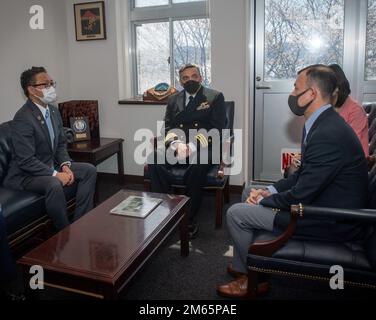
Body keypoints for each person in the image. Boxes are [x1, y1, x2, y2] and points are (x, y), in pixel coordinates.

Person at [217, 65, 368, 298]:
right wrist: (269, 190)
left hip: (329, 218)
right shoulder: (322, 122)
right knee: (249, 190)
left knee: (236, 212)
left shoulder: (327, 132)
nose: (292, 93)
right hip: (320, 201)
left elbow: (300, 195)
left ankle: (254, 278)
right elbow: (302, 176)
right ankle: (241, 267)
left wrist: (266, 200)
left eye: (296, 87)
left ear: (311, 94)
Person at [4, 67, 97, 231]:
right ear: (31, 90)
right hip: (26, 174)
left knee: (88, 170)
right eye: (45, 85)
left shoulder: (53, 111)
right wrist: (56, 174)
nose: (51, 88)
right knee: (54, 183)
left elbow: (60, 144)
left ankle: (81, 223)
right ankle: (65, 232)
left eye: (52, 83)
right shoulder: (23, 118)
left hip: (49, 165)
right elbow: (26, 160)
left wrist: (65, 165)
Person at [147, 64, 226, 239]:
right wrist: (176, 145)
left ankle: (187, 217)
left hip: (205, 147)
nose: (190, 80)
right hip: (178, 146)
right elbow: (168, 128)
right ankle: (166, 210)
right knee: (154, 159)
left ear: (201, 77)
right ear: (180, 81)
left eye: (194, 76)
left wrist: (192, 146)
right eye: (185, 77)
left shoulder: (215, 97)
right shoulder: (173, 99)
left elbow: (218, 129)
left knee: (197, 165)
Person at [286, 63, 369, 176]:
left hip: (343, 167)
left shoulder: (355, 111)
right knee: (291, 170)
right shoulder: (319, 110)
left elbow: (349, 152)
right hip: (325, 160)